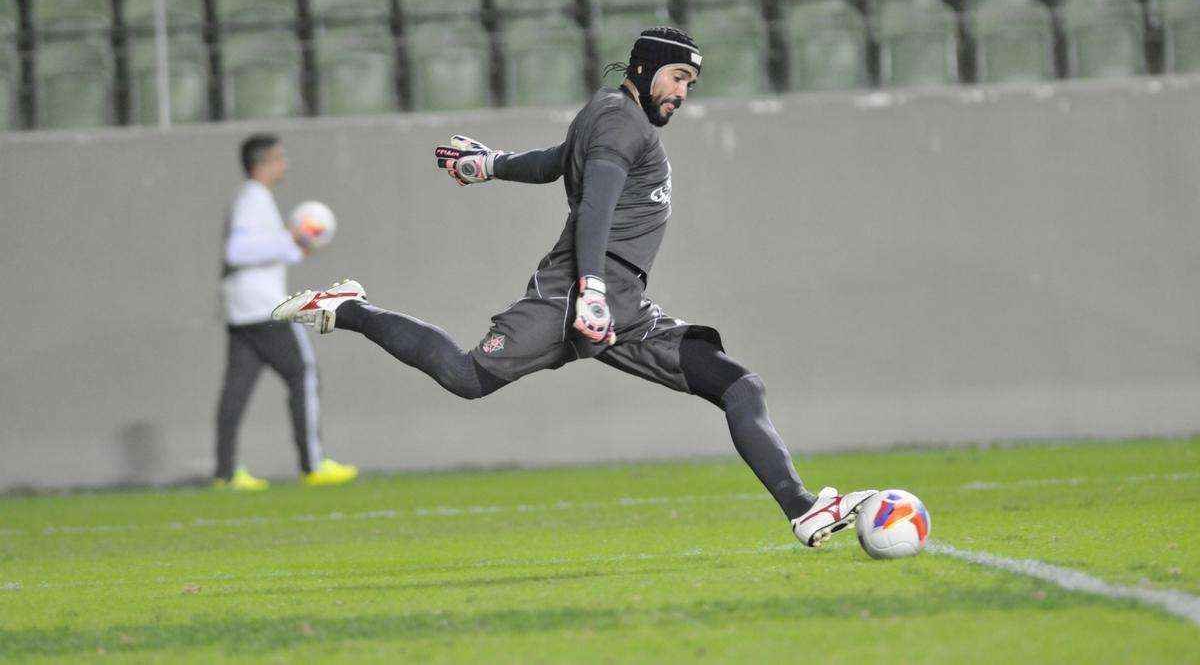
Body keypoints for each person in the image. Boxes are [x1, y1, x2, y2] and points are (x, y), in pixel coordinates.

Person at [272, 28, 875, 545]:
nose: (684, 92)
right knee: (465, 378)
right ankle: (350, 309)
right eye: (677, 77)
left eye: (690, 83)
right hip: (579, 294)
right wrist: (588, 289)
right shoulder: (622, 123)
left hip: (625, 306)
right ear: (642, 68)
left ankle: (804, 509)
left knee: (740, 385)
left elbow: (557, 161)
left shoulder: (611, 113)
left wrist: (491, 165)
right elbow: (594, 211)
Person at [215, 133, 358, 490]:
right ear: (262, 164)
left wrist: (298, 248)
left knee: (236, 392)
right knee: (304, 374)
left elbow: (260, 251)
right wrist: (291, 238)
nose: (285, 164)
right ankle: (312, 464)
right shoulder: (254, 198)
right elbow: (237, 252)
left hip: (241, 309)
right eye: (279, 158)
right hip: (265, 309)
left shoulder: (251, 199)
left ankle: (226, 472)